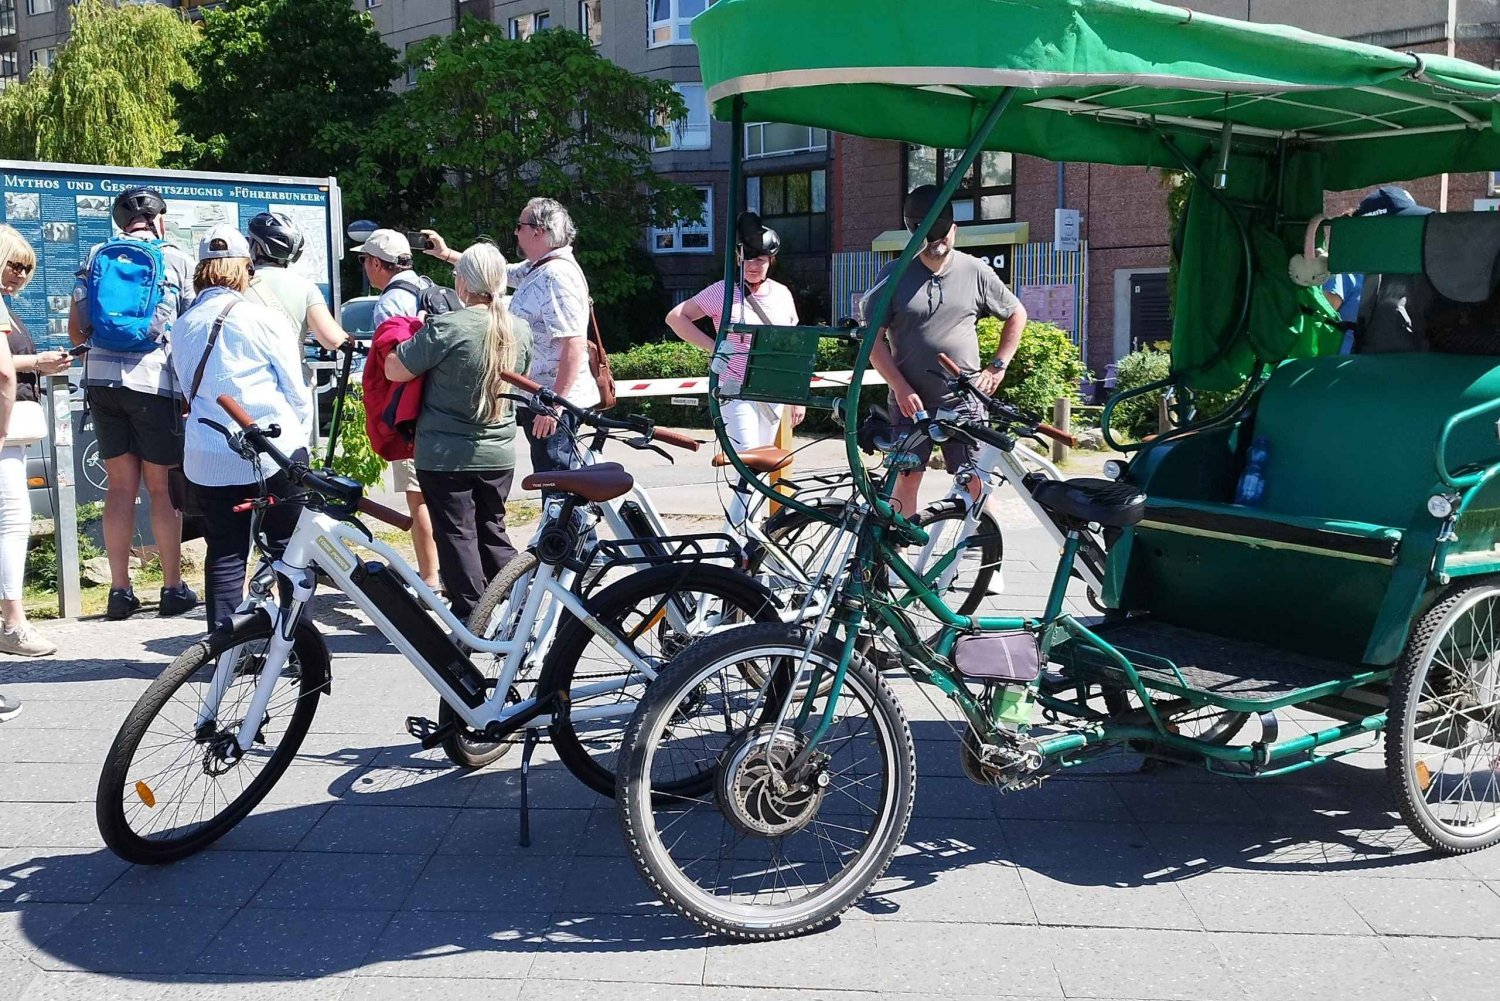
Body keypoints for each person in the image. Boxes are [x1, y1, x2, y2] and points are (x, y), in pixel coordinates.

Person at [170, 226, 310, 633]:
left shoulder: (182, 324)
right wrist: (299, 440)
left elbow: (186, 387)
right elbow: (295, 390)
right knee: (288, 549)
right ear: (245, 269)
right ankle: (298, 645)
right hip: (271, 448)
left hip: (208, 451)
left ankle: (226, 648)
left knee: (225, 551)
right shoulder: (262, 318)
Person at [68, 187, 199, 621]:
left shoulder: (96, 255)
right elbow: (186, 329)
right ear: (159, 219)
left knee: (120, 487)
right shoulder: (175, 257)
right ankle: (171, 588)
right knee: (160, 488)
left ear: (121, 221)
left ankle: (119, 591)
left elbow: (76, 331)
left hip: (101, 381)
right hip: (153, 382)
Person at [384, 243, 532, 622]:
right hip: (499, 452)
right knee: (491, 528)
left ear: (462, 282)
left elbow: (395, 370)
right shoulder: (519, 328)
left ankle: (472, 617)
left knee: (457, 534)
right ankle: (522, 603)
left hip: (445, 453)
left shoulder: (448, 327)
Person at [862, 184, 1028, 519]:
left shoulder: (975, 271)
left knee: (976, 481)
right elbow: (873, 343)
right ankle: (900, 555)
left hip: (963, 401)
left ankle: (984, 558)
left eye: (943, 236)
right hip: (911, 402)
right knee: (907, 479)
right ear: (913, 233)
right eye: (929, 237)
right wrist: (900, 386)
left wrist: (998, 366)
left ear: (954, 229)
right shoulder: (893, 275)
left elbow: (1016, 313)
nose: (937, 245)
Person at [424, 200, 597, 480]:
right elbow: (497, 272)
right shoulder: (540, 267)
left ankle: (567, 526)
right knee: (557, 488)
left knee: (560, 490)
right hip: (543, 400)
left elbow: (574, 344)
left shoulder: (556, 275)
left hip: (554, 406)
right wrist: (446, 254)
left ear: (538, 231)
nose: (516, 233)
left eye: (520, 226)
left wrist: (555, 406)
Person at [664, 211, 805, 523]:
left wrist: (795, 397)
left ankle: (747, 540)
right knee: (749, 465)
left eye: (762, 259)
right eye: (750, 257)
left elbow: (792, 346)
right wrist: (714, 347)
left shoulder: (782, 295)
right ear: (740, 257)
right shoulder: (723, 291)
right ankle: (739, 538)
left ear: (771, 261)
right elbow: (676, 317)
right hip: (734, 389)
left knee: (762, 465)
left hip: (771, 391)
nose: (755, 265)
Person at [347, 228, 440, 592]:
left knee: (417, 497)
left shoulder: (388, 304)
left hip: (411, 413)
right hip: (442, 408)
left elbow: (394, 367)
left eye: (363, 261)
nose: (365, 268)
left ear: (375, 263)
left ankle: (430, 575)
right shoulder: (429, 287)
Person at [0, 226, 69, 656]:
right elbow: (4, 373)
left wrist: (36, 363)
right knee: (12, 523)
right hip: (4, 435)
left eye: (27, 268)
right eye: (13, 263)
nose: (20, 274)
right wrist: (3, 427)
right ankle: (13, 622)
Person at [244, 211, 350, 355]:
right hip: (292, 374)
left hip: (246, 374)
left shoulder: (237, 283)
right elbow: (332, 340)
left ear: (257, 247)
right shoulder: (305, 287)